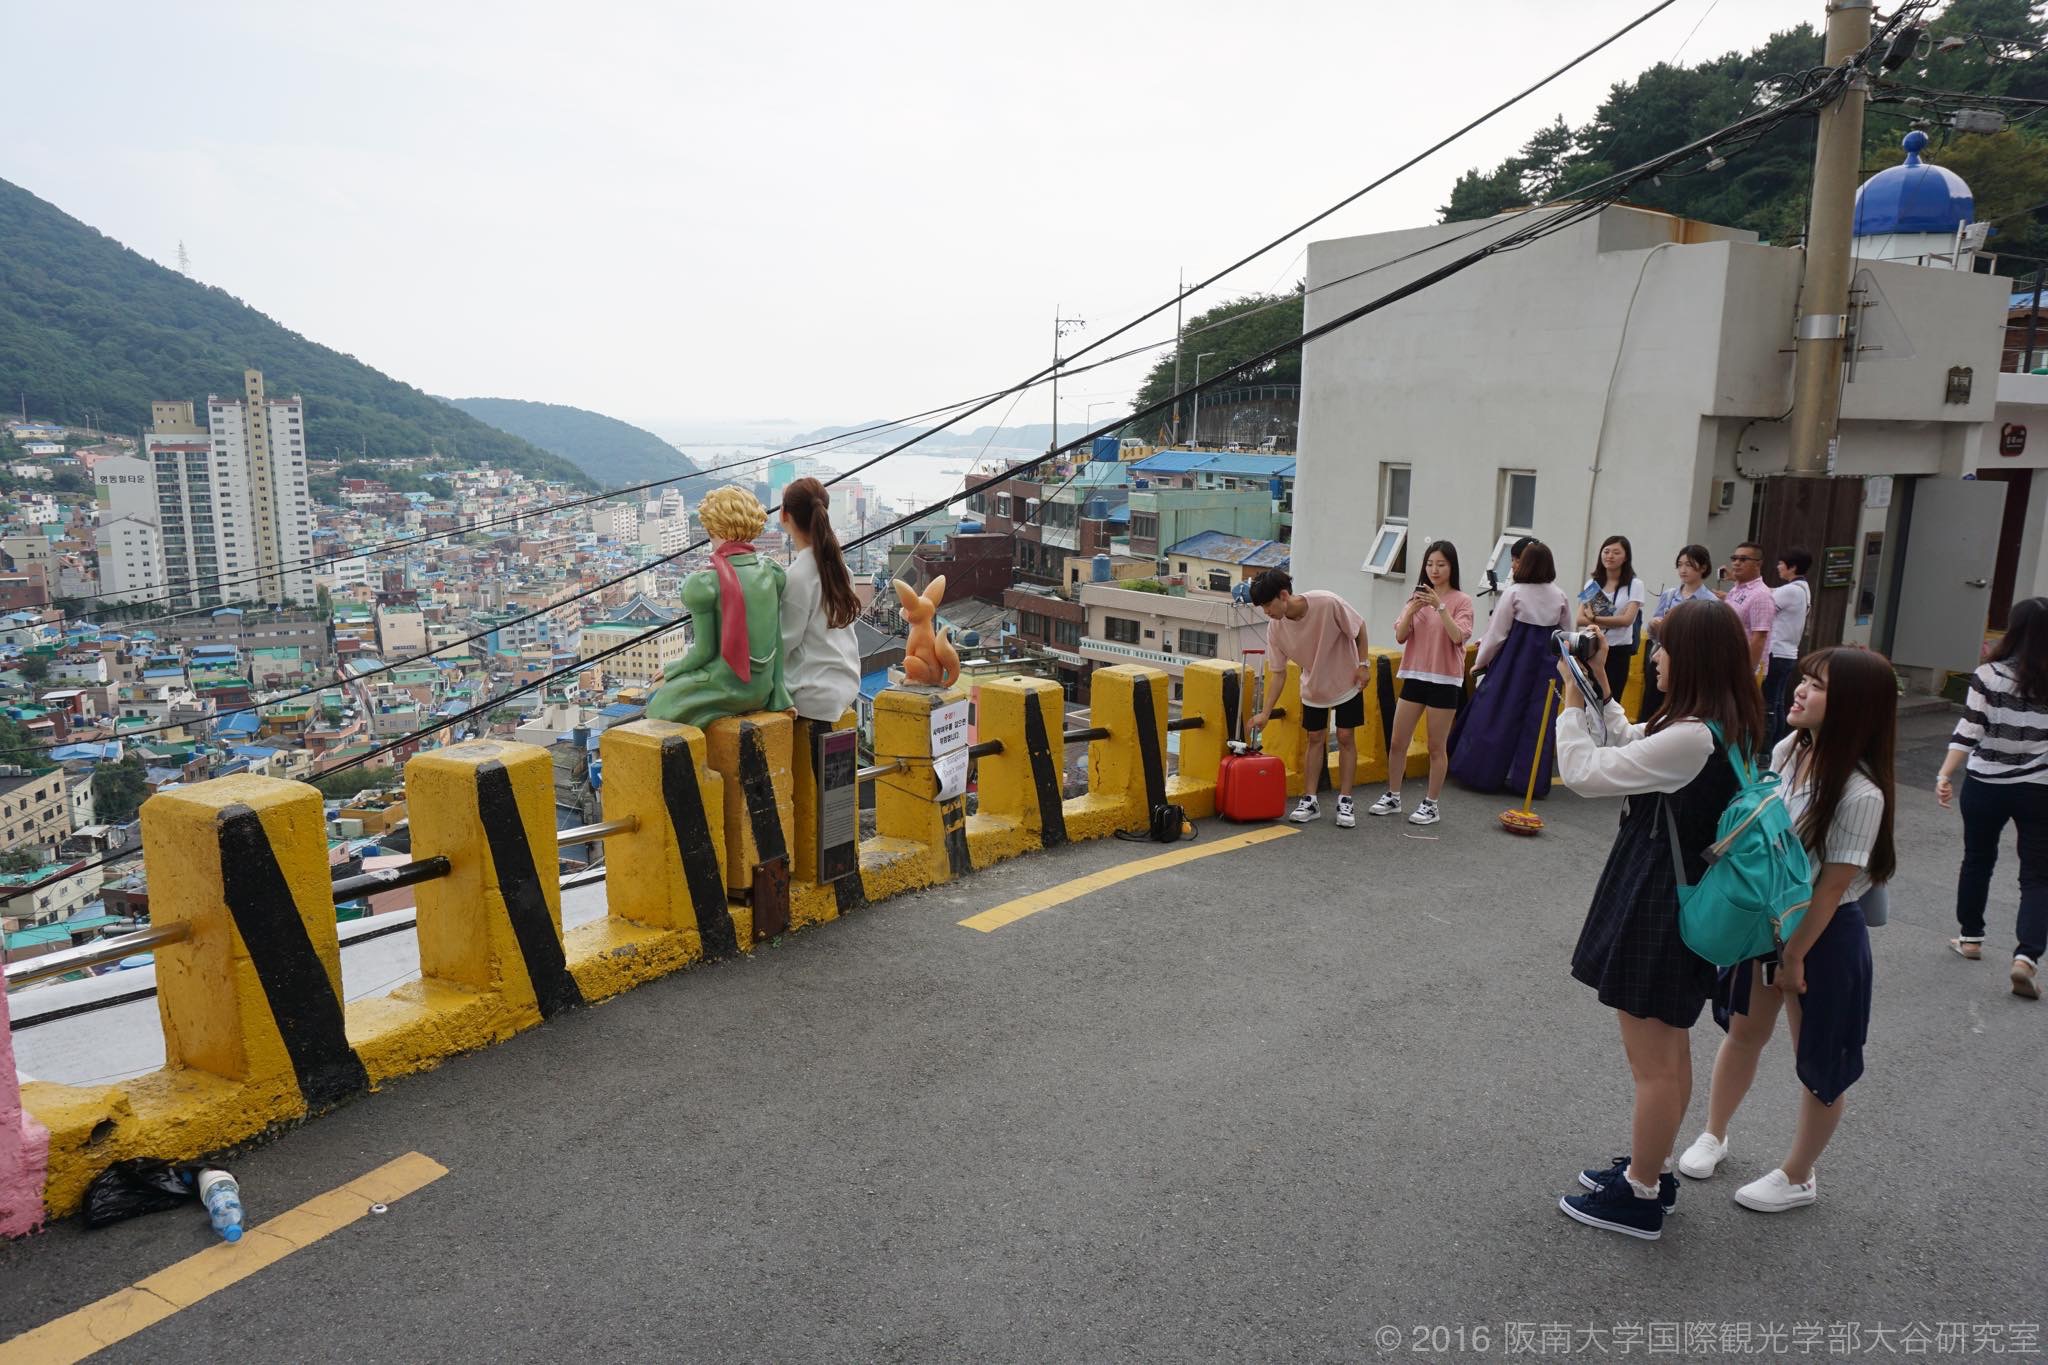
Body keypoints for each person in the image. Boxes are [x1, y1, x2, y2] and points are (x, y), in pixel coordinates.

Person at [1551, 599, 1767, 1240]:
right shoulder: (1720, 727)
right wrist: (1600, 685)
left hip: (1659, 899)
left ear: (1694, 657)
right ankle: (1656, 1170)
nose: (1656, 657)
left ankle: (1641, 1195)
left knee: (1653, 1061)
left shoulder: (1692, 737)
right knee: (1669, 1046)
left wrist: (1570, 701)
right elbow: (1631, 742)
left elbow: (1584, 772)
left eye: (1666, 647)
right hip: (1686, 895)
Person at [1677, 645, 1895, 1212]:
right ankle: (1714, 1133)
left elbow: (1831, 890)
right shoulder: (1789, 749)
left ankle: (1799, 1175)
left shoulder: (1862, 793)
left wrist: (1794, 957)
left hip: (1822, 933)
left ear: (1853, 706)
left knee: (1820, 1059)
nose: (1799, 690)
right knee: (1743, 1032)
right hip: (1767, 919)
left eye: (1818, 686)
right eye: (1804, 679)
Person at [1938, 596, 2048, 1000]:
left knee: (1978, 859)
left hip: (1985, 783)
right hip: (2039, 788)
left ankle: (1970, 938)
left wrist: (1945, 774)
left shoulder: (1988, 674)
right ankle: (2026, 958)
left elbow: (1970, 729)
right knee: (2038, 875)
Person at [646, 486, 791, 728]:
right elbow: (776, 640)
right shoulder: (771, 571)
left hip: (726, 685)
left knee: (658, 702)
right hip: (762, 689)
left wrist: (672, 669)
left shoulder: (704, 583)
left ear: (712, 528)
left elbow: (704, 652)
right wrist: (780, 695)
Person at [1446, 541, 1573, 797]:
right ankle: (1529, 783)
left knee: (1497, 713)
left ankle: (1482, 774)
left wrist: (1481, 661)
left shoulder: (1515, 593)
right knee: (1538, 721)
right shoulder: (1560, 595)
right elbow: (1567, 634)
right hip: (1547, 665)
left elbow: (1497, 634)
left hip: (1514, 662)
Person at [1248, 569, 1369, 828]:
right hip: (1313, 687)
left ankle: (1345, 800)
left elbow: (1359, 627)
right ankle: (1310, 800)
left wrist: (1364, 665)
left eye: (1268, 605)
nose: (1266, 612)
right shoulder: (1275, 629)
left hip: (1347, 679)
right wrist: (1265, 713)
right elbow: (1278, 673)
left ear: (1283, 595)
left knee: (1345, 737)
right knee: (1315, 738)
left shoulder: (1327, 603)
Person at [1370, 541, 1473, 826]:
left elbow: (1458, 636)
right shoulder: (1415, 598)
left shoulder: (1462, 601)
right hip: (1414, 675)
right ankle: (1393, 795)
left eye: (1441, 564)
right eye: (1429, 564)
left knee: (1436, 747)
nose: (1434, 570)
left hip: (1445, 680)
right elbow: (1401, 636)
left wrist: (1440, 607)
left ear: (1451, 567)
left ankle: (1431, 804)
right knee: (1397, 741)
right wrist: (1412, 610)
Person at [776, 477, 862, 724]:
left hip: (811, 695)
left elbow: (783, 644)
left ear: (784, 515)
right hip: (845, 686)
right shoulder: (842, 570)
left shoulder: (797, 576)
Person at [1637, 545, 1719, 723]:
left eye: (1689, 565)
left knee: (1679, 706)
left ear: (1703, 567)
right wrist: (1654, 624)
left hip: (1689, 662)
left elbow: (1707, 638)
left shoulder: (1710, 601)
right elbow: (1654, 634)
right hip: (1662, 656)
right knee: (1652, 703)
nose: (1683, 570)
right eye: (1680, 564)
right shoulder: (1669, 595)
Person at [1579, 534, 1644, 708]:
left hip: (1618, 651)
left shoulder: (1634, 584)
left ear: (1626, 557)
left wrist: (1594, 618)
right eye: (1606, 551)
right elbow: (1579, 619)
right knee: (1589, 700)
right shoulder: (1592, 584)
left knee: (1611, 702)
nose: (1610, 556)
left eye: (1616, 552)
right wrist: (1612, 620)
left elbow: (1627, 620)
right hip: (1593, 647)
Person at [1764, 548, 1814, 749]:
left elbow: (1763, 604)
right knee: (1776, 701)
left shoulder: (1791, 590)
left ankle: (1767, 749)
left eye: (1781, 563)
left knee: (1768, 704)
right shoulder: (1803, 588)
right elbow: (1770, 592)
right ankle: (1775, 744)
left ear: (1792, 567)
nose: (1778, 567)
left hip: (1776, 652)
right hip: (1788, 653)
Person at [1720, 542, 1776, 676]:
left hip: (1744, 670)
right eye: (1734, 558)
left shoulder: (1760, 595)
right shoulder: (1736, 589)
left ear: (1758, 564)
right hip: (1728, 663)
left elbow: (1760, 637)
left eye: (1743, 559)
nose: (1736, 563)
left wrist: (1747, 672)